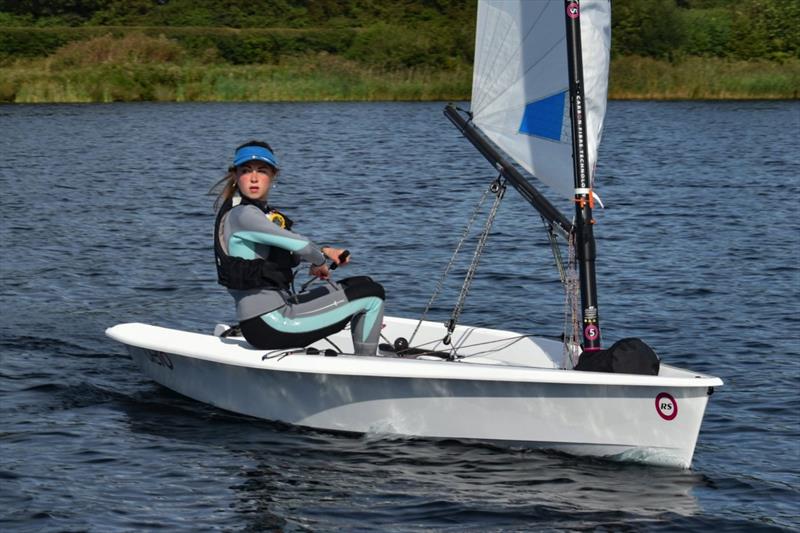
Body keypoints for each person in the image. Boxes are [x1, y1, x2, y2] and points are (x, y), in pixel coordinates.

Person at [212, 140, 385, 355]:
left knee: (360, 283)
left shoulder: (249, 212)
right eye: (246, 171)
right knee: (372, 295)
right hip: (272, 324)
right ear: (236, 176)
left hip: (267, 319)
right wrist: (319, 262)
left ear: (273, 176)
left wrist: (325, 252)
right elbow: (301, 245)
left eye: (262, 171)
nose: (254, 178)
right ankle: (366, 369)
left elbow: (289, 246)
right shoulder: (245, 214)